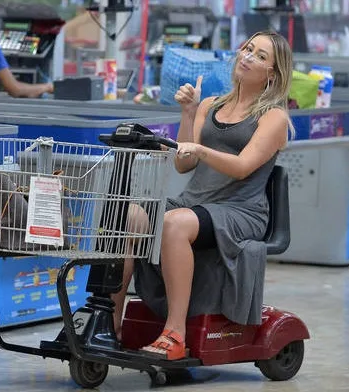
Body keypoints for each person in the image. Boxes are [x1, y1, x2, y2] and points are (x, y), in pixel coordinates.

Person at [112, 30, 295, 360]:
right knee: (128, 215)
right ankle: (110, 321)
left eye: (261, 55)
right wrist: (188, 112)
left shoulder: (274, 117)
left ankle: (175, 333)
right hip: (195, 202)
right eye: (248, 48)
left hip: (240, 210)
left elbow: (241, 167)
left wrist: (199, 147)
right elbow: (184, 163)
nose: (248, 56)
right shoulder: (210, 105)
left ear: (273, 72)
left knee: (174, 224)